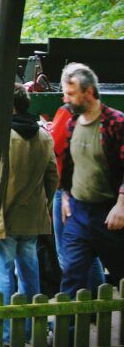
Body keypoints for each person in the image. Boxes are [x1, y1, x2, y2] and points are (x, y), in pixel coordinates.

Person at [0, 83, 58, 343]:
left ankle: (5, 335)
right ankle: (30, 330)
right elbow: (53, 178)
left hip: (4, 218)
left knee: (2, 277)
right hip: (32, 219)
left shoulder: (1, 136)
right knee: (30, 275)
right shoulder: (44, 136)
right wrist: (43, 206)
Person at [58, 63, 124, 300]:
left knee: (121, 274)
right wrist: (66, 196)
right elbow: (69, 166)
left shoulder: (116, 123)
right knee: (71, 275)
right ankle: (67, 334)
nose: (66, 99)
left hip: (109, 214)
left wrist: (121, 204)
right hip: (78, 213)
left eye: (71, 94)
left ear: (89, 92)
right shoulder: (72, 124)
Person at [48, 103, 105, 291]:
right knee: (89, 248)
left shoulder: (67, 111)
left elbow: (53, 144)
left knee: (67, 250)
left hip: (66, 189)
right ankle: (97, 302)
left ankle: (73, 309)